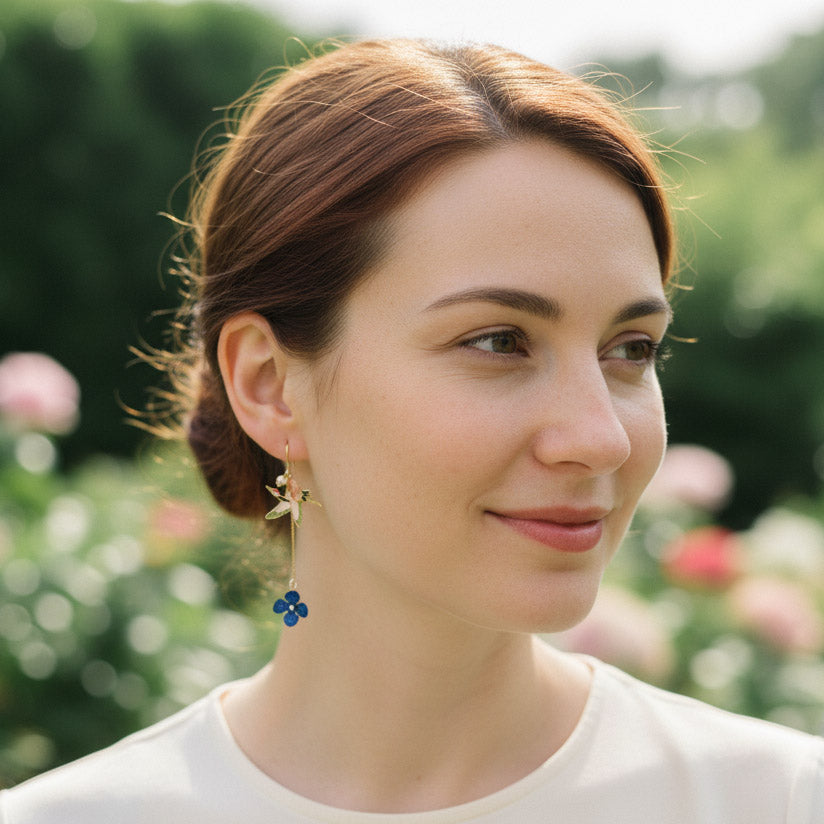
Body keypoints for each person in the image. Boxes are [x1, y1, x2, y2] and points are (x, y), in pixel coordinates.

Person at [1, 38, 821, 823]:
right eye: (499, 341)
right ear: (269, 385)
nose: (600, 438)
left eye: (630, 350)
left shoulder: (780, 803)